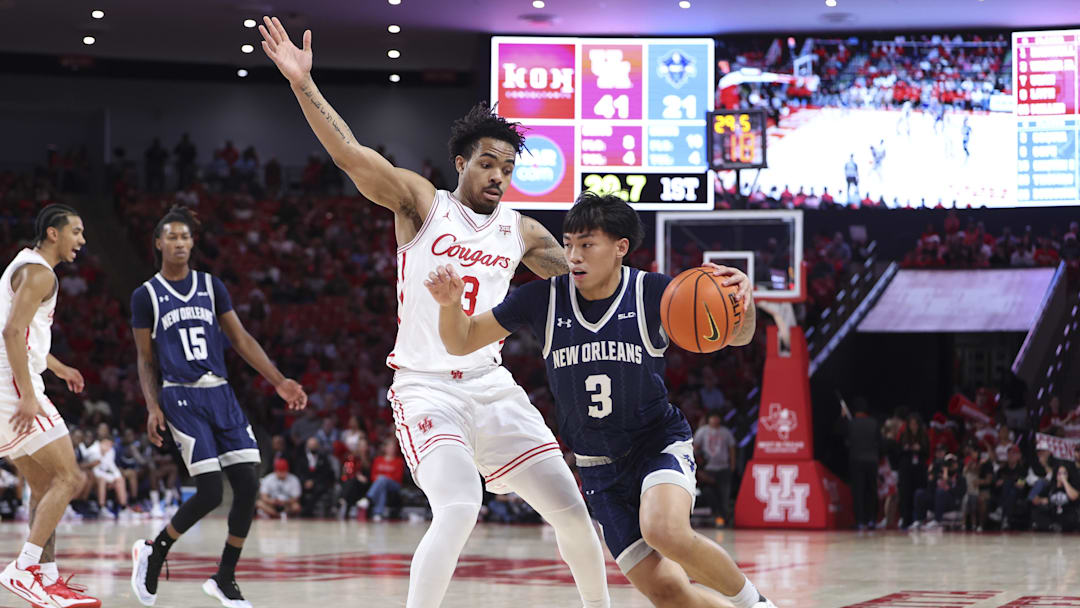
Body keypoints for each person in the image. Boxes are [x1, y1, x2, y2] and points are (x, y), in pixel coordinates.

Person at [260, 15, 610, 608]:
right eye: (488, 163)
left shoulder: (523, 232)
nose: (498, 174)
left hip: (492, 386)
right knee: (458, 505)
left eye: (507, 166)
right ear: (462, 162)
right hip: (426, 388)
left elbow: (587, 279)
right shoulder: (423, 203)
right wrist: (302, 83)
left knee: (573, 511)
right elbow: (349, 154)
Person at [425, 192, 779, 608]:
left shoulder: (655, 293)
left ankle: (757, 605)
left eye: (587, 244)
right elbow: (460, 339)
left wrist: (745, 304)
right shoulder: (542, 298)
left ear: (620, 247)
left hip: (655, 444)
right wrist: (450, 306)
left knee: (664, 530)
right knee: (665, 592)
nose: (573, 255)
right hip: (598, 468)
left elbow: (736, 336)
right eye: (569, 243)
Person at [129, 205, 308, 608]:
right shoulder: (146, 295)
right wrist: (151, 406)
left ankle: (225, 576)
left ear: (193, 243)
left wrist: (279, 381)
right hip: (180, 394)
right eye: (171, 236)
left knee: (248, 484)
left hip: (221, 393)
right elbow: (144, 358)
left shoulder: (211, 287)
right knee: (210, 491)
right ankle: (154, 551)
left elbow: (241, 339)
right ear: (158, 243)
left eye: (185, 236)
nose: (179, 242)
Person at [0, 205, 99, 608]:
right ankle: (23, 569)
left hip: (10, 381)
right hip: (12, 387)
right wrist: (27, 394)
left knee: (44, 487)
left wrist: (55, 367)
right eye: (76, 231)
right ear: (54, 234)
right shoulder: (41, 273)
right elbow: (12, 331)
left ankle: (47, 576)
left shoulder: (23, 265)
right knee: (70, 479)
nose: (82, 240)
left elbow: (22, 333)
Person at [841, 397, 880, 530]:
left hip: (856, 460)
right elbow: (879, 441)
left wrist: (843, 418)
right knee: (871, 490)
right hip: (872, 461)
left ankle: (860, 521)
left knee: (858, 491)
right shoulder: (874, 423)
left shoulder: (851, 423)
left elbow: (841, 435)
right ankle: (872, 520)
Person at [694, 410, 736, 527]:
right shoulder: (702, 431)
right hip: (708, 469)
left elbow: (731, 448)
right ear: (709, 419)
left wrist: (732, 465)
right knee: (709, 493)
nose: (715, 420)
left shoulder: (725, 432)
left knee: (724, 494)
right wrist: (698, 466)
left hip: (723, 467)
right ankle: (717, 515)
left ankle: (724, 518)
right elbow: (695, 448)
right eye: (713, 417)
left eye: (717, 417)